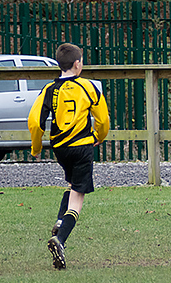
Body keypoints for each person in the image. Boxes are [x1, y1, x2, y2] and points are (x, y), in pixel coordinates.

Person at [28, 43, 110, 270]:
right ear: (77, 64)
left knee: (72, 183)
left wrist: (36, 148)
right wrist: (99, 136)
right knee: (78, 198)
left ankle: (59, 221)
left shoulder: (49, 89)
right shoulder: (89, 86)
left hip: (60, 148)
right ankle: (60, 239)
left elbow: (35, 122)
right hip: (83, 147)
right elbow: (102, 119)